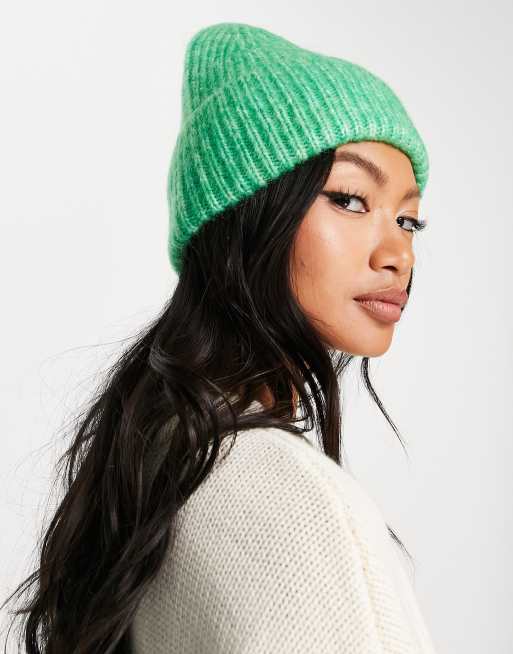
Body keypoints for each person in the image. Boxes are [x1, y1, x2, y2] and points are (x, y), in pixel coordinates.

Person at [2, 21, 438, 654]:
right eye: (350, 199)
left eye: (408, 220)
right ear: (246, 216)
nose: (398, 253)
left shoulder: (162, 461)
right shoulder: (292, 501)